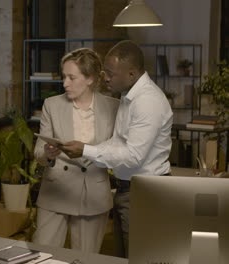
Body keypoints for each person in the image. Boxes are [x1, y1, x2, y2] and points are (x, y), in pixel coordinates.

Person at [61, 40, 173, 257]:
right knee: (125, 257)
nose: (105, 77)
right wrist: (87, 149)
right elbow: (118, 142)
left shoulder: (147, 101)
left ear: (131, 74)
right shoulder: (128, 96)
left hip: (145, 193)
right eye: (105, 72)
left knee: (139, 257)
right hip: (131, 190)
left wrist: (86, 150)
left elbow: (133, 157)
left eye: (111, 73)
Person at [32, 48, 120, 253]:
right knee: (41, 257)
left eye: (72, 77)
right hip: (56, 191)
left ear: (89, 79)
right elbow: (38, 152)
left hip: (94, 193)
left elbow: (117, 152)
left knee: (86, 259)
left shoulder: (114, 107)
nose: (65, 83)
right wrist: (47, 153)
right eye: (64, 76)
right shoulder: (51, 105)